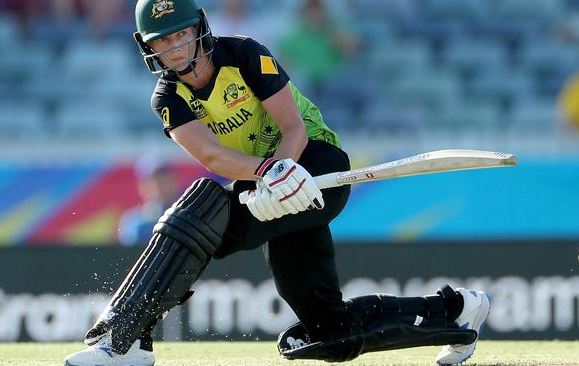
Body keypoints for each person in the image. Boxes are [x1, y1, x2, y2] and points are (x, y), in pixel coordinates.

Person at [63, 1, 490, 365]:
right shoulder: (167, 98)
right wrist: (266, 175)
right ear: (149, 48)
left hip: (317, 166)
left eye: (180, 35)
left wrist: (280, 169)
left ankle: (123, 339)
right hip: (264, 183)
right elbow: (213, 157)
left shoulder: (245, 54)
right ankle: (457, 312)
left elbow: (293, 127)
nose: (174, 49)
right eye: (162, 41)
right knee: (329, 332)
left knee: (199, 215)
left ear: (198, 29)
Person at [118, 157, 180, 246]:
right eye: (155, 180)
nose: (161, 186)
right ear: (142, 185)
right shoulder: (132, 222)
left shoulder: (185, 216)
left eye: (165, 179)